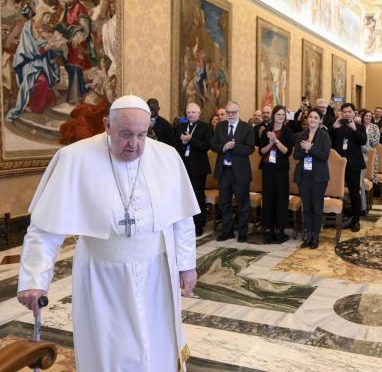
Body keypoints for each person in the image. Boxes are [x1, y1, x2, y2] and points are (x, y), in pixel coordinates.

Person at [17, 95, 199, 371]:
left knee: (157, 346)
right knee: (111, 351)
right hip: (102, 277)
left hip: (156, 275)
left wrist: (187, 266)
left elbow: (181, 218)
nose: (134, 145)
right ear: (106, 125)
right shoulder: (73, 158)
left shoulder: (167, 157)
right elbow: (44, 229)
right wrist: (34, 278)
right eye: (125, 134)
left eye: (141, 135)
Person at [210, 101, 255, 242]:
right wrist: (223, 147)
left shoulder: (247, 128)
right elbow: (213, 144)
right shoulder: (220, 126)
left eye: (233, 112)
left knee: (243, 204)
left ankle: (242, 233)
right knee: (224, 203)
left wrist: (234, 147)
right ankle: (227, 231)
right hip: (224, 171)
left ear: (238, 112)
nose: (230, 115)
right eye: (228, 112)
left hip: (241, 172)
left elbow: (250, 148)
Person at [293, 108, 331, 249]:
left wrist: (311, 149)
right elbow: (296, 156)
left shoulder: (324, 135)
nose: (312, 119)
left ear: (320, 120)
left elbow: (324, 156)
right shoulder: (301, 135)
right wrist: (305, 150)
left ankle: (316, 236)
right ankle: (308, 234)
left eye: (316, 117)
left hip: (319, 177)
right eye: (310, 117)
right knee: (307, 207)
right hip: (303, 176)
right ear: (307, 119)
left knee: (316, 207)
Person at [258, 105, 293, 243]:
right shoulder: (266, 131)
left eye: (282, 115)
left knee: (281, 199)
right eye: (278, 114)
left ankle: (280, 230)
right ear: (273, 115)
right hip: (267, 169)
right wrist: (270, 142)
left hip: (281, 170)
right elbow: (261, 151)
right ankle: (268, 229)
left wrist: (276, 141)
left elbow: (287, 152)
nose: (281, 117)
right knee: (268, 199)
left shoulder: (287, 132)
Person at [175, 102, 211, 236]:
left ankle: (199, 225)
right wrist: (182, 143)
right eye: (189, 112)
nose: (191, 114)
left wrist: (190, 140)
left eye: (193, 112)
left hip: (198, 168)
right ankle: (185, 224)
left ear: (199, 114)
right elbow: (175, 144)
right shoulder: (180, 127)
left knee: (197, 196)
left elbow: (206, 145)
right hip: (184, 166)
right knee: (184, 196)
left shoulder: (205, 127)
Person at [332, 103, 367, 232]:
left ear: (354, 113)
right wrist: (333, 129)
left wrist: (354, 129)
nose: (347, 114)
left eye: (349, 111)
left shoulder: (359, 126)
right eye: (344, 112)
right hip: (338, 165)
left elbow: (363, 141)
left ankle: (356, 220)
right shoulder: (338, 126)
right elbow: (330, 143)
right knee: (336, 192)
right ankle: (337, 217)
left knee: (354, 192)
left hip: (353, 164)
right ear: (341, 113)